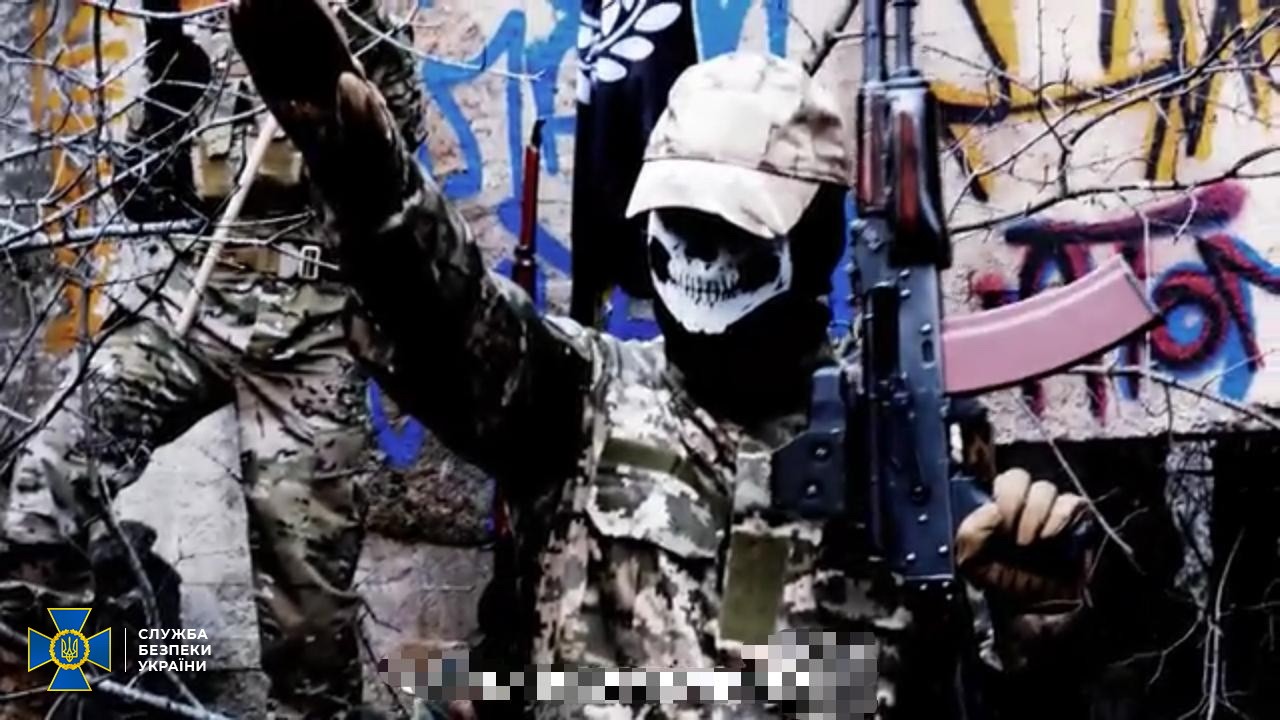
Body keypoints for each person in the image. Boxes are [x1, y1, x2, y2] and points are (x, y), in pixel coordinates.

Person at [227, 0, 1099, 716]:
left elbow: (972, 690)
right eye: (683, 221)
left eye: (736, 227)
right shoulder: (576, 400)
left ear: (818, 238)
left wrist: (1038, 626)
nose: (704, 255)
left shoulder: (904, 449)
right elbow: (443, 314)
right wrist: (367, 180)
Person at [0, 0, 428, 716]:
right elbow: (151, 174)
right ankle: (53, 693)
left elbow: (397, 147)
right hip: (194, 304)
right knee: (45, 486)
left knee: (308, 621)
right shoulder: (203, 17)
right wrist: (169, 74)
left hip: (309, 332)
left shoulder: (353, 18)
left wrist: (339, 33)